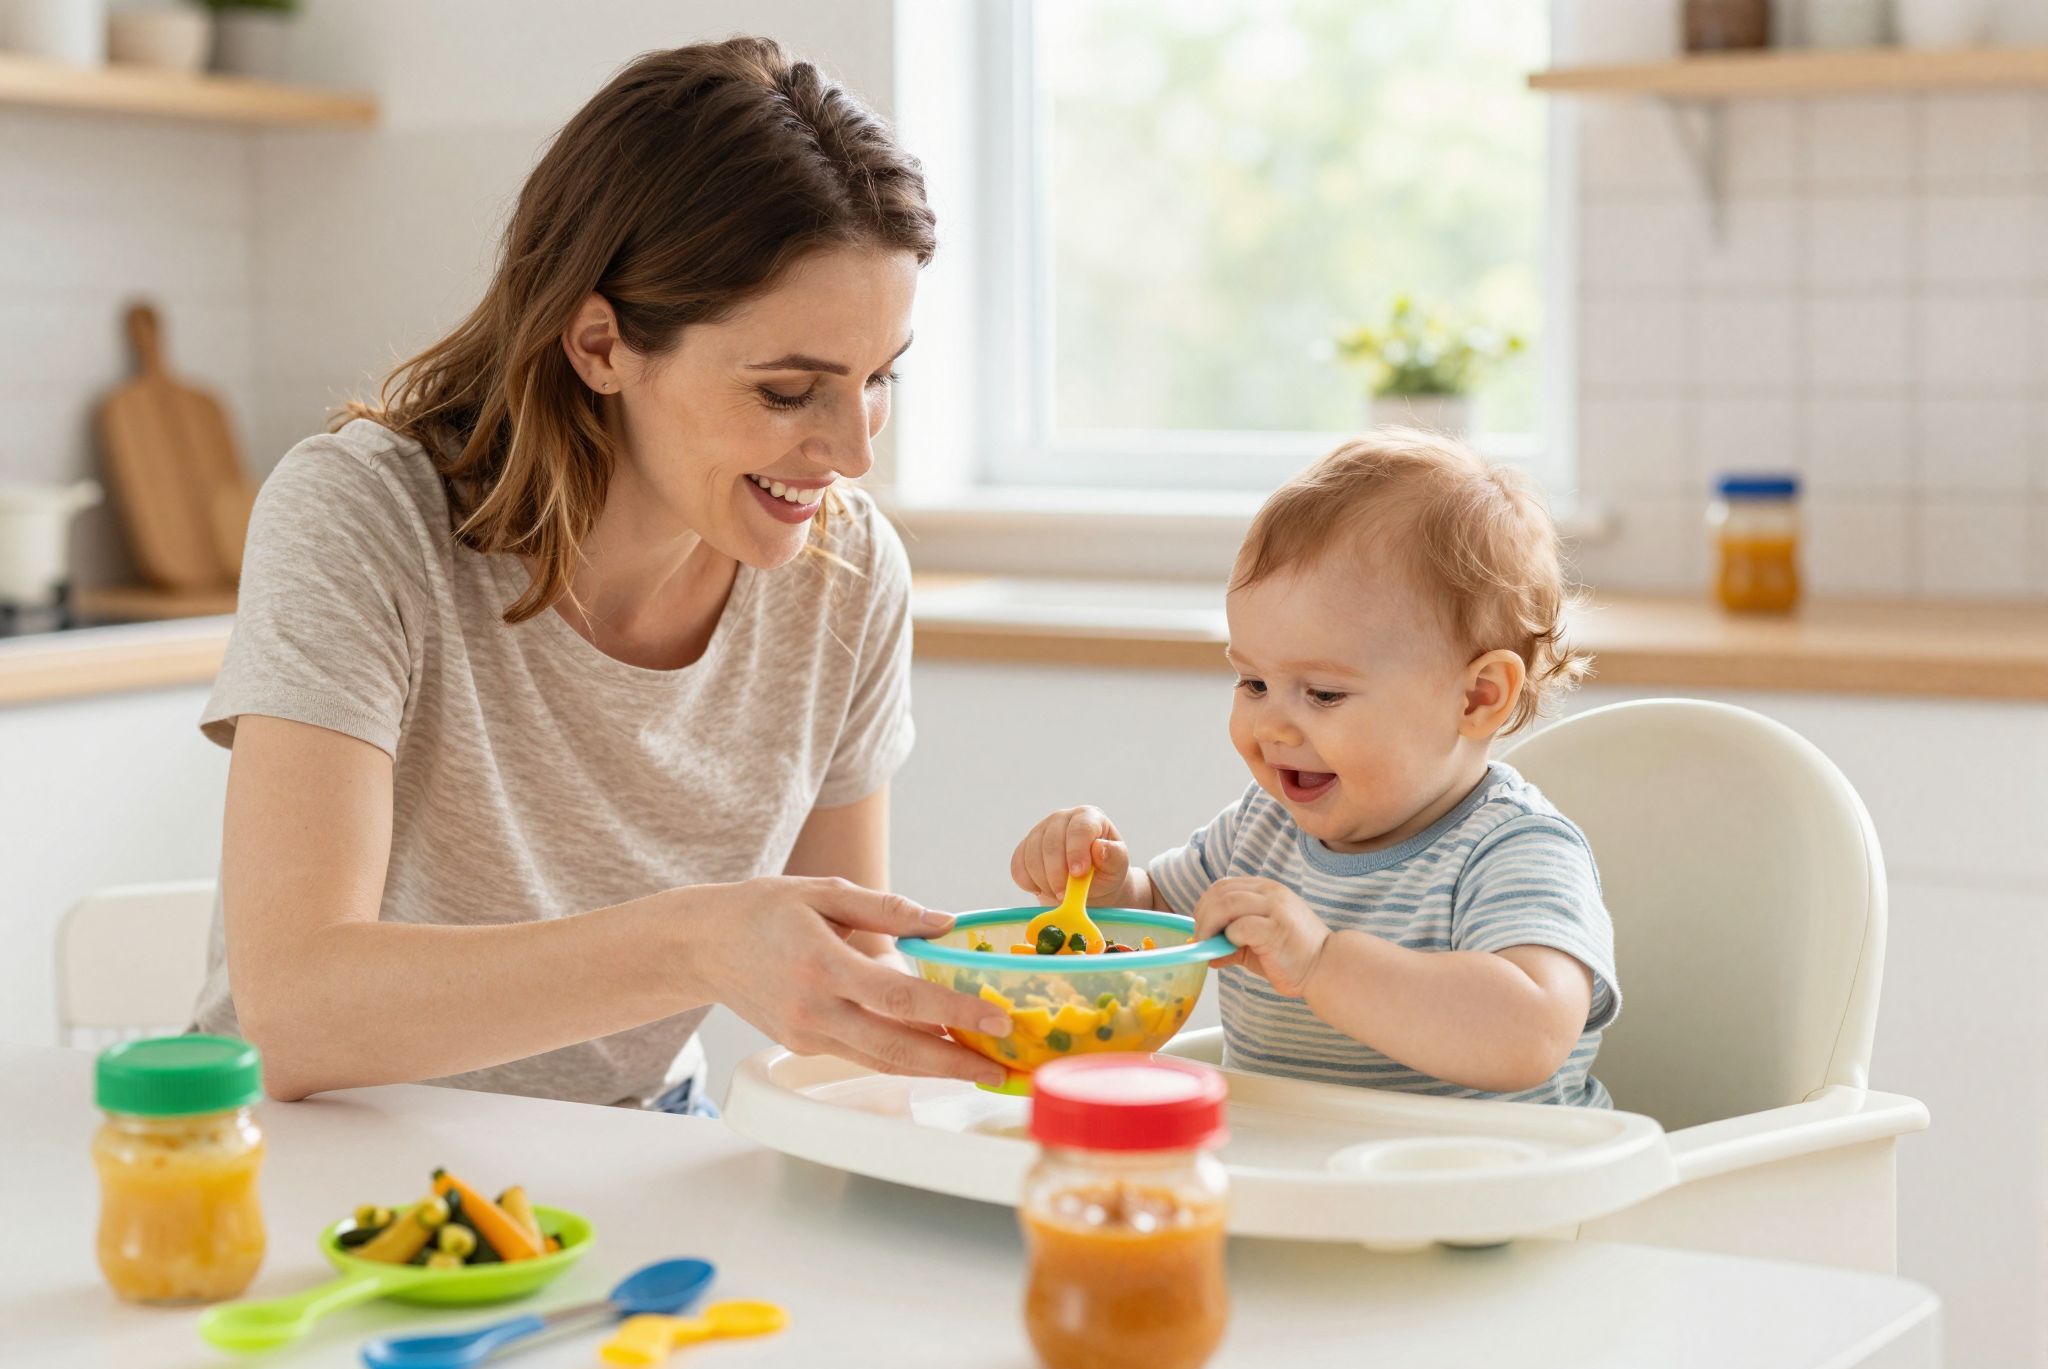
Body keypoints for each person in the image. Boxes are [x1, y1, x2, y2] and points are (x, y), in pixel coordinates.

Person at [194, 38, 1013, 1108]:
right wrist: (695, 946)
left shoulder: (846, 574)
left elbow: (847, 996)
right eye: (786, 391)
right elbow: (295, 1013)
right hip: (327, 1144)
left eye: (878, 378)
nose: (854, 453)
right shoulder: (363, 517)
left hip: (633, 1140)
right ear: (600, 344)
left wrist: (1017, 1052)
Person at [1008, 430, 1620, 1106]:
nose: (1271, 726)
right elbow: (1160, 924)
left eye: (1323, 694)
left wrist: (1323, 963)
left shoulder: (1516, 850)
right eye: (1253, 683)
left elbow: (1530, 1034)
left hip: (1487, 1169)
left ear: (1477, 697)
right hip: (1293, 1164)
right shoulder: (1259, 831)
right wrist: (1105, 891)